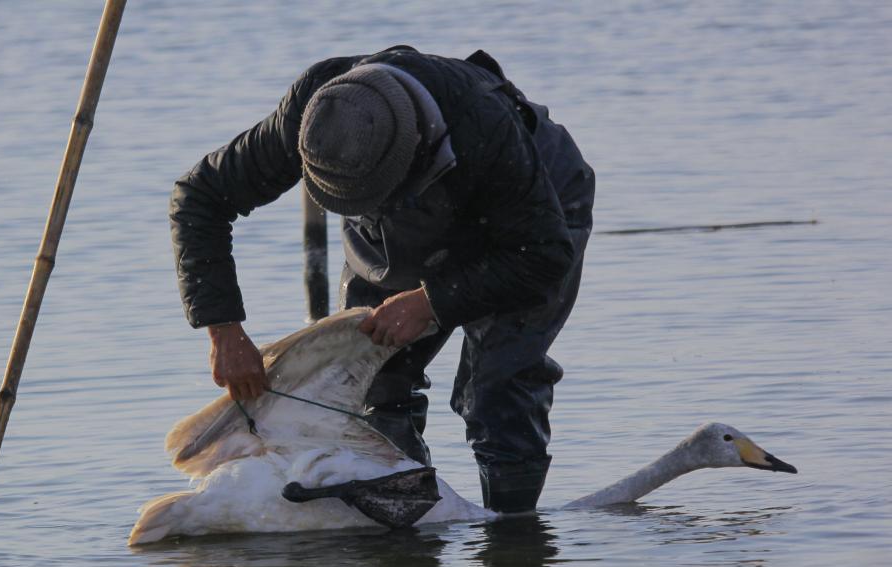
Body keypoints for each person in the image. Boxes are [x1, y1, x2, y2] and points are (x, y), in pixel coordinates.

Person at [169, 46, 594, 513]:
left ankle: (514, 536)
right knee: (372, 382)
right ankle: (408, 520)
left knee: (497, 389)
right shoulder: (316, 112)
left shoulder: (484, 127)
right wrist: (223, 328)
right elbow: (200, 196)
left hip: (531, 226)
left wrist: (432, 302)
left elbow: (545, 255)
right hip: (390, 237)